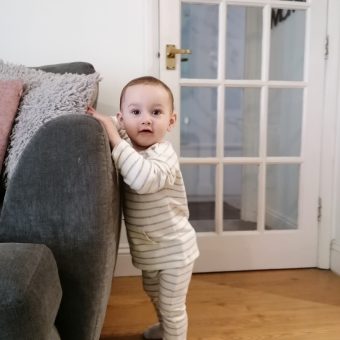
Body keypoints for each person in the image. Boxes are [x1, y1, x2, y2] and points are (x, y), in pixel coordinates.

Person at [87, 76, 199, 340]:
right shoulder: (128, 138)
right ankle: (164, 327)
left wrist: (115, 135)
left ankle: (174, 333)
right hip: (150, 250)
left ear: (171, 121)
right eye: (136, 112)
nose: (146, 119)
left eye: (156, 112)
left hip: (175, 250)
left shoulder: (163, 154)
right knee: (153, 292)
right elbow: (111, 124)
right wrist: (103, 121)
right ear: (123, 117)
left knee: (172, 306)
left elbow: (142, 180)